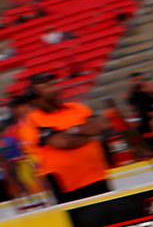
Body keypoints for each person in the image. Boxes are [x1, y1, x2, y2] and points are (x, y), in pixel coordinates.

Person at [17, 74, 113, 202]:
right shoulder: (33, 120)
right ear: (35, 98)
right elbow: (64, 142)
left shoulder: (75, 107)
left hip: (98, 177)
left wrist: (71, 131)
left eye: (51, 84)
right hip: (68, 188)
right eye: (45, 86)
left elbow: (100, 124)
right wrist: (89, 135)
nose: (52, 87)